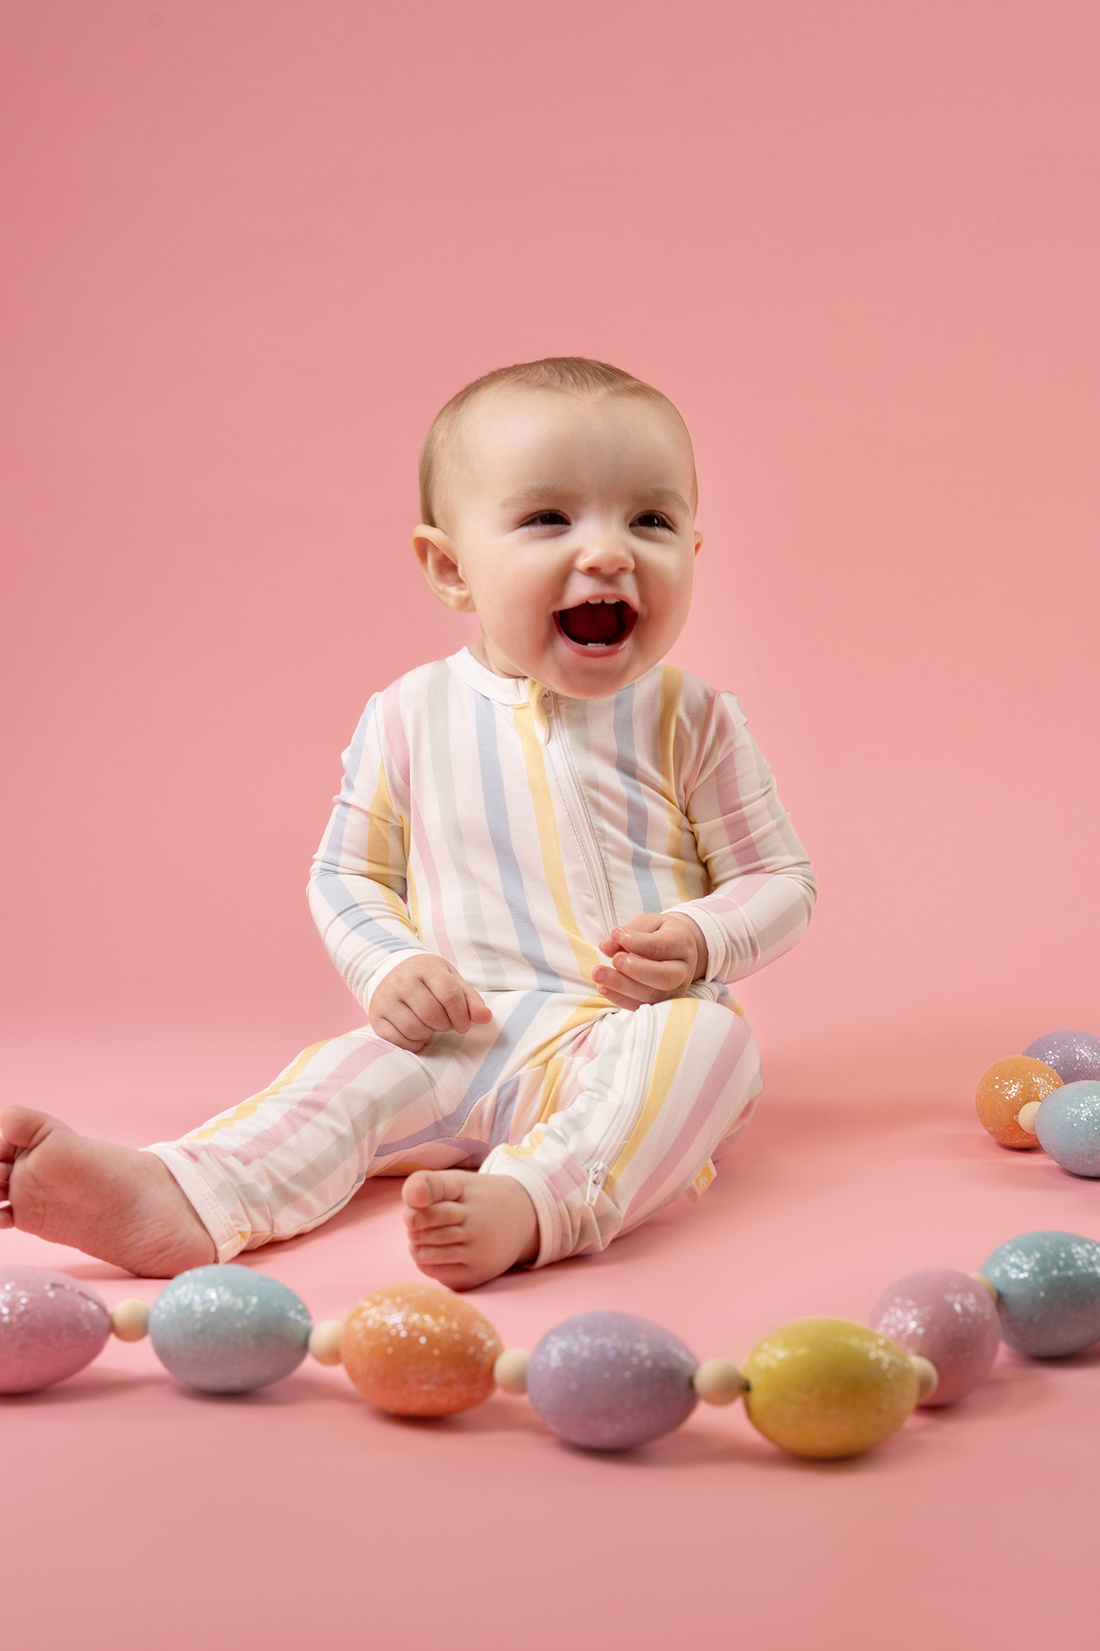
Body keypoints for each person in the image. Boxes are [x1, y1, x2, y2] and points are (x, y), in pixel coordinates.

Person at [0, 357, 815, 1290]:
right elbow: (345, 875)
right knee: (347, 1077)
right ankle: (189, 1193)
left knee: (713, 1047)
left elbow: (781, 880)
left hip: (637, 1032)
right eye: (550, 518)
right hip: (468, 1028)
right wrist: (390, 967)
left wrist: (705, 938)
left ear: (694, 553)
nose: (608, 553)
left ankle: (537, 1200)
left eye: (652, 521)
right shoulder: (408, 715)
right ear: (451, 568)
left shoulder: (694, 718)